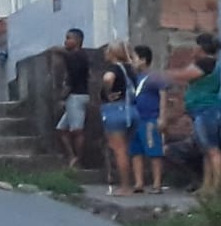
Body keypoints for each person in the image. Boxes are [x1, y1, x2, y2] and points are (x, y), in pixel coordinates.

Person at [168, 33, 221, 195]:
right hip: (206, 110)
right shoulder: (209, 63)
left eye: (196, 46)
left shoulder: (205, 63)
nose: (193, 49)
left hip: (206, 111)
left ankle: (216, 187)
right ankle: (207, 186)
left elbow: (183, 75)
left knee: (213, 149)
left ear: (201, 48)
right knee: (206, 150)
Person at [100, 41, 139, 196]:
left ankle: (125, 187)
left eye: (107, 50)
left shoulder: (113, 68)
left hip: (116, 110)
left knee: (119, 150)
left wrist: (106, 91)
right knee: (126, 149)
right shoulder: (131, 69)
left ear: (113, 53)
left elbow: (108, 79)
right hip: (132, 111)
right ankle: (129, 183)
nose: (105, 53)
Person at [130, 46, 168, 194]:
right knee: (136, 152)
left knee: (154, 152)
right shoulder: (135, 78)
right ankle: (139, 183)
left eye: (134, 58)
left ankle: (157, 183)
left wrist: (162, 117)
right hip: (136, 119)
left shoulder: (155, 77)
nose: (132, 62)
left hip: (150, 118)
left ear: (143, 60)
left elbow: (163, 95)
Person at [56, 29, 92, 168]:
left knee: (77, 131)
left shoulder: (76, 57)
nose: (66, 41)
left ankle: (79, 160)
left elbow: (72, 80)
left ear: (77, 41)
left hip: (76, 96)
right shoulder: (80, 56)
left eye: (69, 38)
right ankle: (73, 157)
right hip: (78, 95)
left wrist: (63, 96)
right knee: (61, 129)